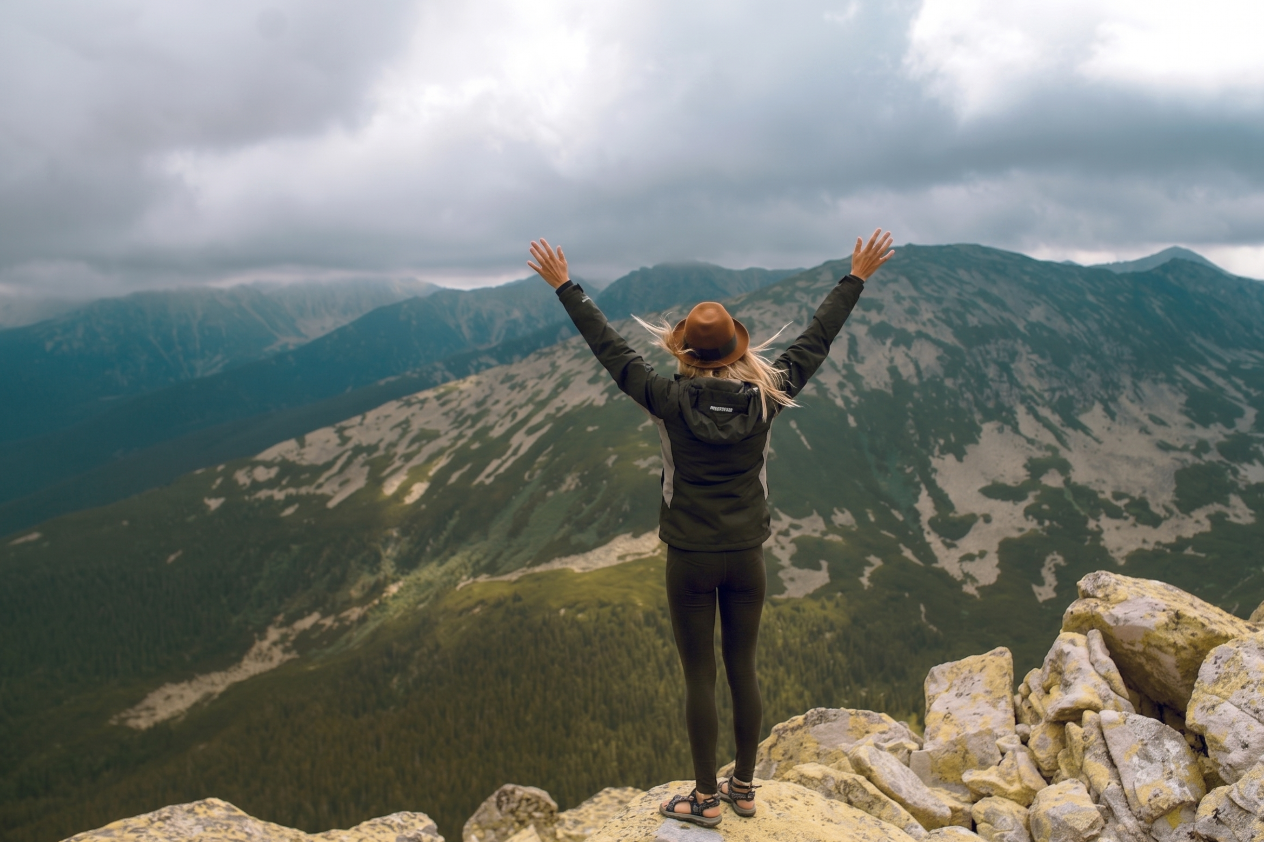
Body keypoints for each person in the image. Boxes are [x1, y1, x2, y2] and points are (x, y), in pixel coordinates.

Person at [527, 229, 894, 827]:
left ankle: (703, 799)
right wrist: (855, 277)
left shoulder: (666, 399)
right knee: (742, 668)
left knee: (698, 675)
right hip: (746, 554)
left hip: (689, 557)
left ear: (686, 354)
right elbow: (814, 341)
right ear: (735, 349)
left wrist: (566, 286)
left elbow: (611, 349)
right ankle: (744, 789)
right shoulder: (768, 396)